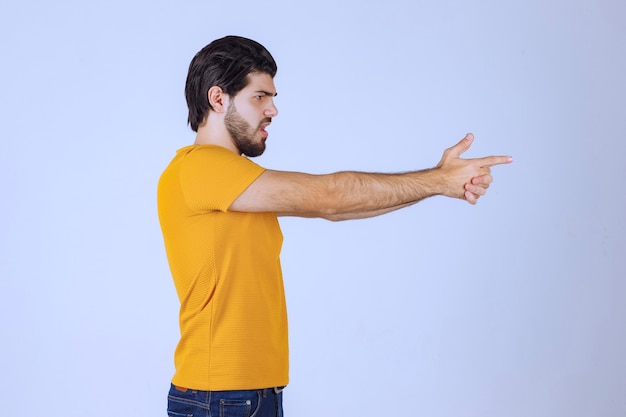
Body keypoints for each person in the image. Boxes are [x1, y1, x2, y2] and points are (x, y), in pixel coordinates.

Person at [157, 35, 512, 417]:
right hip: (220, 397)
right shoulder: (200, 167)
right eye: (260, 96)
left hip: (244, 394)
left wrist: (440, 185)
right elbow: (329, 196)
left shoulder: (235, 181)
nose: (273, 109)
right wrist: (437, 180)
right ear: (218, 99)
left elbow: (339, 210)